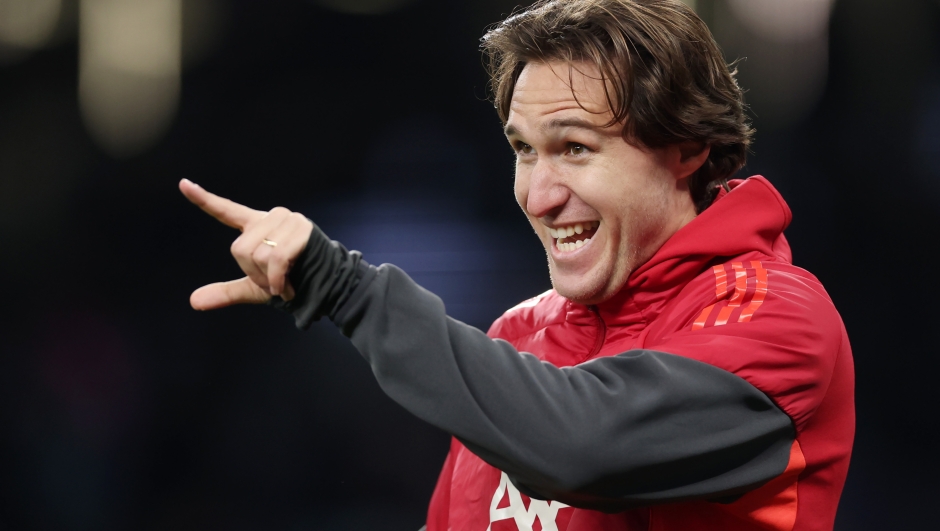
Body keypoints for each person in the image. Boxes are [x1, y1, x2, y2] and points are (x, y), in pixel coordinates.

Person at [180, 0, 854, 529]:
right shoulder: (519, 336)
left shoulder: (778, 318)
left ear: (685, 149)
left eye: (576, 148)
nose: (539, 194)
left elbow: (583, 446)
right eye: (525, 150)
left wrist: (347, 290)